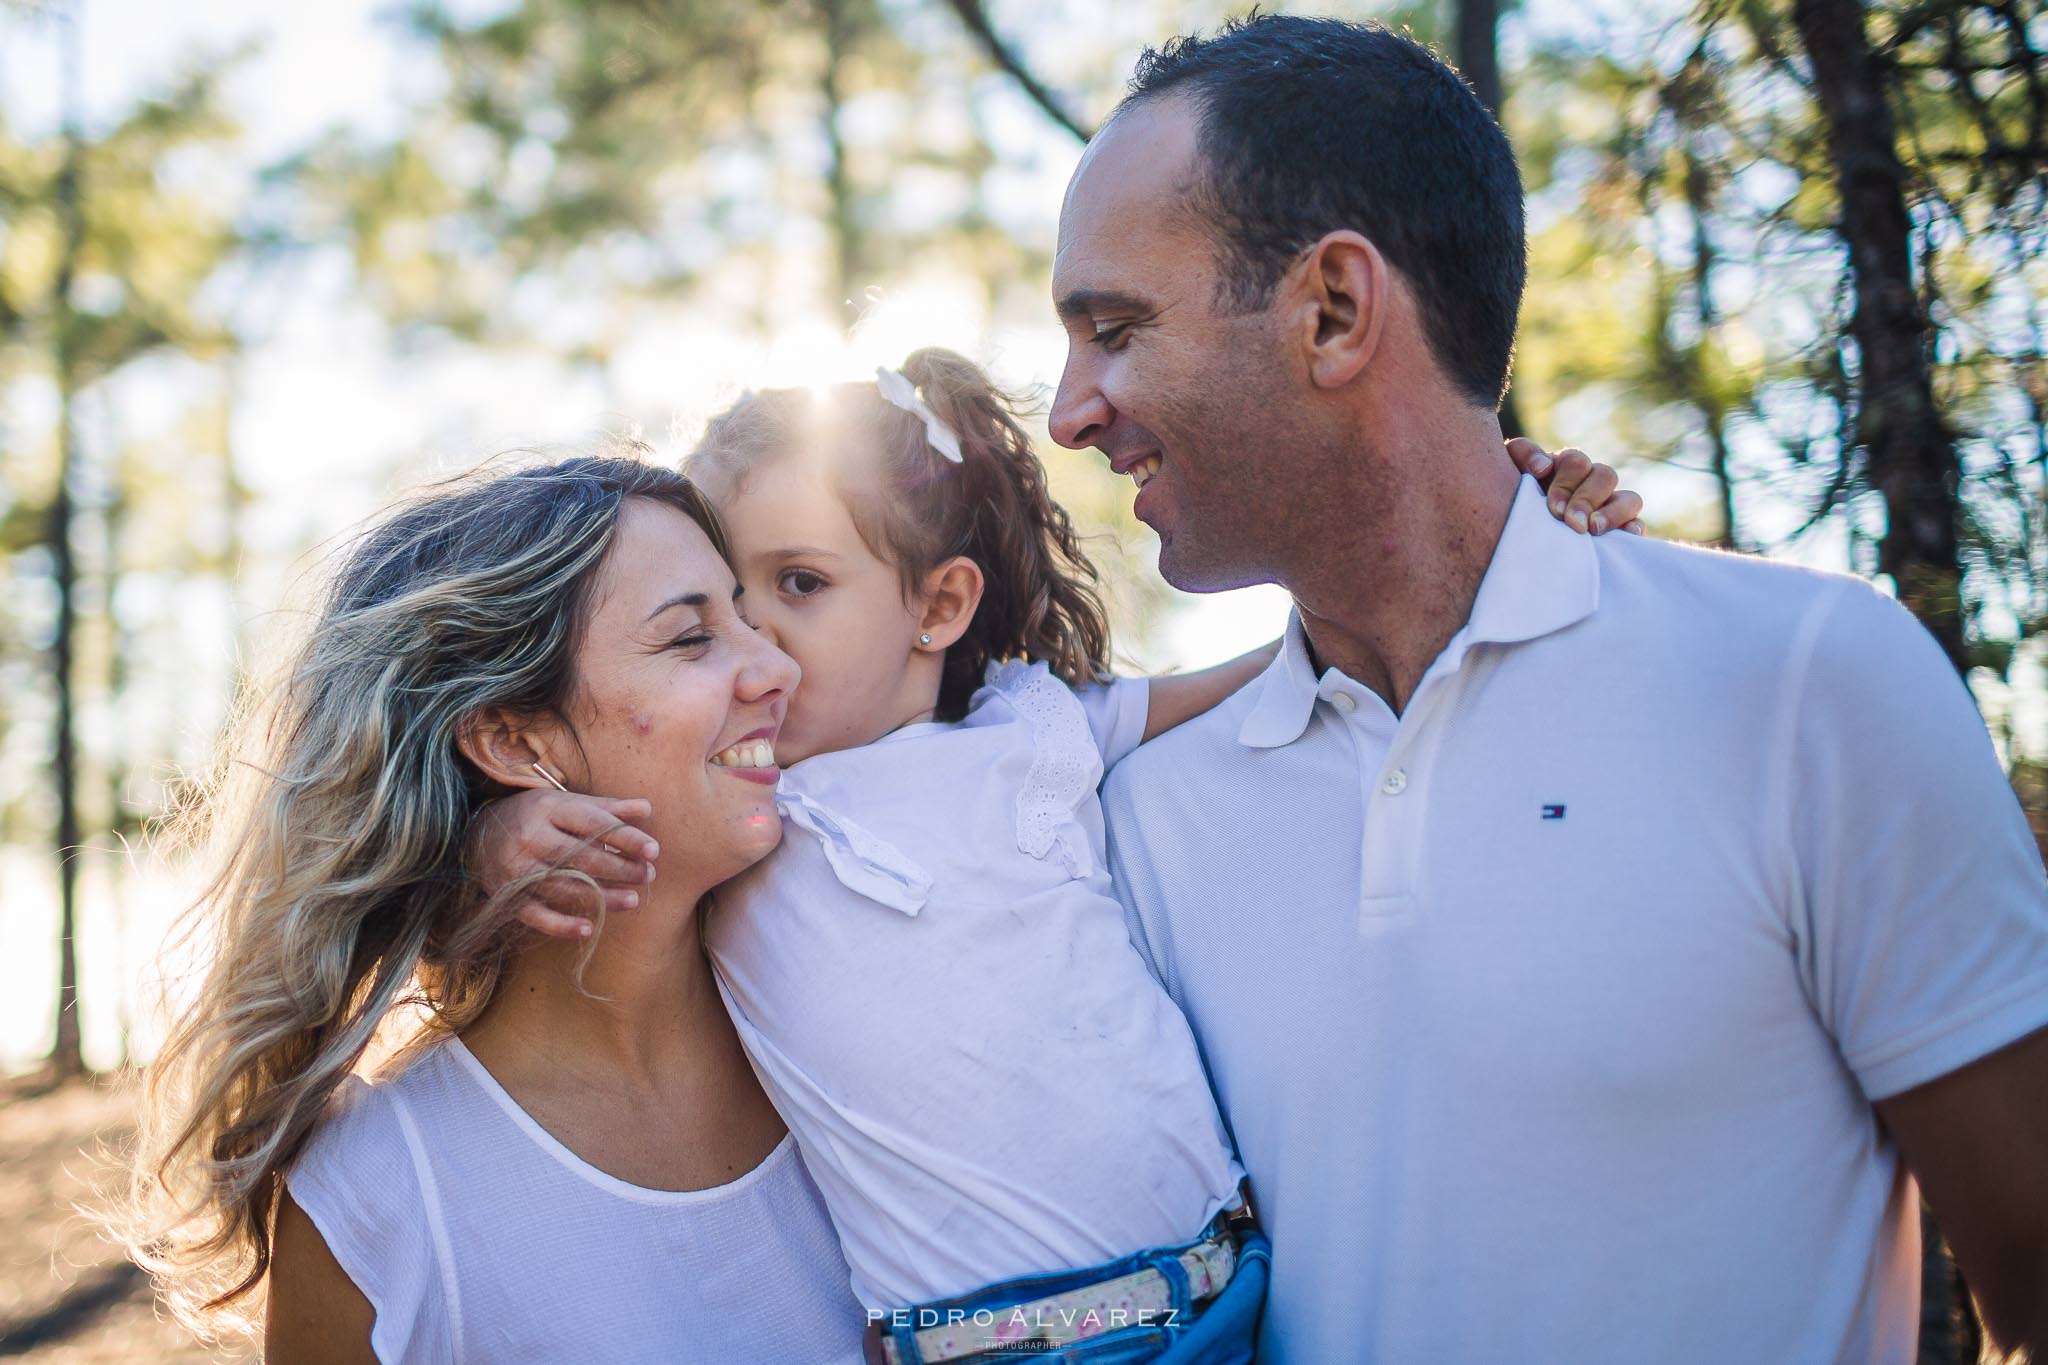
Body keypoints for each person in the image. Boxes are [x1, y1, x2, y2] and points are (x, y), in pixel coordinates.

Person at [1044, 14, 2048, 1363]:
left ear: (1332, 309)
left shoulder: (1808, 688)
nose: (1069, 409)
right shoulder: (1129, 816)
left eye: (1114, 329)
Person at [477, 350, 1639, 1363]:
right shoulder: (736, 825)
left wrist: (1494, 522)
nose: (754, 645)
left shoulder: (1031, 736)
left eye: (800, 586)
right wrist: (498, 840)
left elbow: (1291, 664)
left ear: (937, 609)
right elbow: (564, 868)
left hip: (1226, 1291)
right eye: (724, 604)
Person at [118, 457, 866, 1363]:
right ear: (514, 739)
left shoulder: (868, 1003)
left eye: (748, 618)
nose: (777, 665)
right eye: (690, 639)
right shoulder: (383, 1197)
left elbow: (1070, 1301)